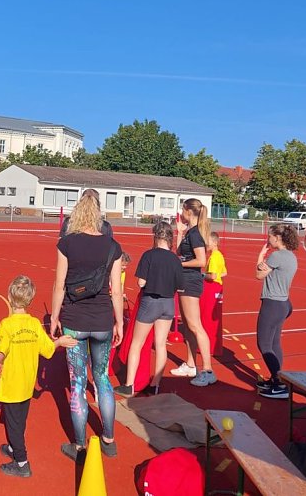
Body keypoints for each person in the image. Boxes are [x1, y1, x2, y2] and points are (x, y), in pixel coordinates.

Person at [51, 194, 124, 462]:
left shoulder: (66, 244)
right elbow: (116, 291)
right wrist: (119, 321)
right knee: (102, 378)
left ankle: (80, 445)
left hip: (74, 321)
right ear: (99, 214)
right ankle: (109, 439)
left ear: (77, 212)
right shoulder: (112, 247)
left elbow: (59, 285)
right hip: (103, 319)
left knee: (77, 382)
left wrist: (55, 317)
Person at [0, 275, 77, 478]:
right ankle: (14, 448)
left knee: (13, 425)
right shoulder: (34, 324)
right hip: (27, 384)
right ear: (30, 301)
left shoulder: (6, 324)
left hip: (13, 384)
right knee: (19, 421)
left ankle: (22, 463)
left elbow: (1, 348)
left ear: (9, 297)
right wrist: (60, 342)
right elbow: (47, 349)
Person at [115, 221, 182, 397]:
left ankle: (129, 385)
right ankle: (156, 384)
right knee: (160, 344)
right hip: (168, 303)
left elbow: (141, 282)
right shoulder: (175, 259)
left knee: (137, 343)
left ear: (155, 237)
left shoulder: (149, 255)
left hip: (150, 301)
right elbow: (180, 287)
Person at [169, 198, 217, 386]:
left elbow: (201, 261)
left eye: (183, 209)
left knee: (195, 325)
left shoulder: (197, 234)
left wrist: (179, 264)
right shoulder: (190, 232)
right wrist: (179, 233)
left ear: (189, 211)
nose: (181, 212)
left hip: (191, 282)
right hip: (184, 281)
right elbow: (180, 252)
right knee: (188, 326)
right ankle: (190, 364)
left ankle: (207, 369)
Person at [254, 223, 299, 399]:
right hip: (284, 303)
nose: (268, 239)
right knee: (274, 343)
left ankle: (280, 383)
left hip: (272, 304)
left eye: (270, 236)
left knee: (264, 344)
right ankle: (276, 378)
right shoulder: (291, 256)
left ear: (277, 238)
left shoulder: (277, 256)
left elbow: (259, 275)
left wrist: (260, 256)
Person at [200, 232, 227, 357]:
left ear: (215, 242)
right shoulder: (219, 255)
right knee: (214, 318)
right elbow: (224, 273)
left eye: (208, 241)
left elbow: (213, 276)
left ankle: (207, 347)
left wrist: (201, 275)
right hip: (217, 288)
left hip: (211, 288)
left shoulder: (215, 257)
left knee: (207, 317)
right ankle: (214, 346)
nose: (206, 244)